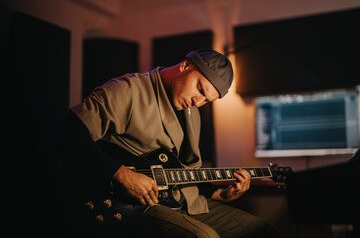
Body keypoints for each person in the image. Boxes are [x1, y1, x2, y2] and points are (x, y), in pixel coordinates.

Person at [56, 49, 280, 237]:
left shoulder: (193, 113)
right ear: (186, 66)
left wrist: (221, 195)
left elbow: (180, 173)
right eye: (200, 89)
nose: (197, 102)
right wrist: (122, 175)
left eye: (206, 100)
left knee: (263, 231)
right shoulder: (130, 90)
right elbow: (68, 131)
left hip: (180, 200)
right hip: (129, 204)